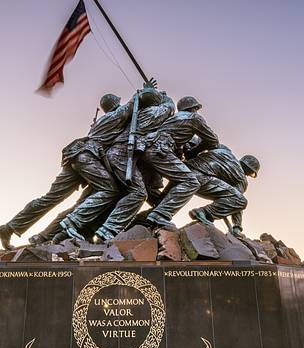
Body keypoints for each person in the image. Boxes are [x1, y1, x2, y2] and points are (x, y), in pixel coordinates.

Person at [0, 93, 132, 249]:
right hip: (88, 158)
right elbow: (135, 102)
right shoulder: (116, 115)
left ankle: (9, 228)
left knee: (50, 198)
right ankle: (70, 223)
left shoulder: (104, 121)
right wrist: (147, 91)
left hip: (75, 156)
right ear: (115, 104)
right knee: (109, 190)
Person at [94, 86, 175, 240]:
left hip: (117, 155)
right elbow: (170, 107)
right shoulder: (153, 113)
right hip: (123, 155)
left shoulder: (134, 115)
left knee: (141, 193)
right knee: (138, 193)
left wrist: (147, 93)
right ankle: (108, 230)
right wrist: (164, 96)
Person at [141, 96, 220, 227]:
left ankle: (141, 220)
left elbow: (178, 145)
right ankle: (159, 215)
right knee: (191, 182)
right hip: (160, 150)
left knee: (143, 190)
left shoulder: (173, 119)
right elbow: (213, 141)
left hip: (146, 149)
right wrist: (195, 151)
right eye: (196, 108)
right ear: (193, 108)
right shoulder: (194, 118)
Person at [185, 144, 260, 236]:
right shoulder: (242, 180)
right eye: (251, 173)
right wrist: (237, 227)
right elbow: (236, 201)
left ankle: (207, 214)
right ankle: (204, 212)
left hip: (185, 169)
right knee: (241, 201)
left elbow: (205, 143)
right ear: (249, 170)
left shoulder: (226, 152)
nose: (249, 175)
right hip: (201, 179)